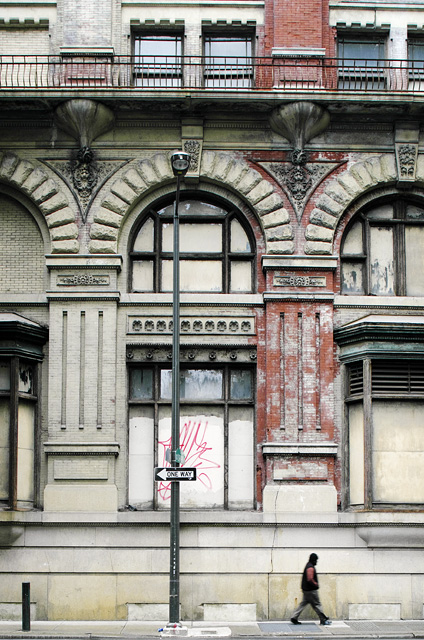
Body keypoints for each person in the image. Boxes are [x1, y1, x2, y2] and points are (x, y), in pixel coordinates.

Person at [290, 553, 331, 626]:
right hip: (311, 590)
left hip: (306, 590)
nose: (317, 562)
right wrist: (315, 584)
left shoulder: (308, 565)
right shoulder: (310, 567)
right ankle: (323, 619)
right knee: (317, 604)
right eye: (316, 560)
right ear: (314, 560)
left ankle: (294, 617)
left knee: (303, 603)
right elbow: (310, 578)